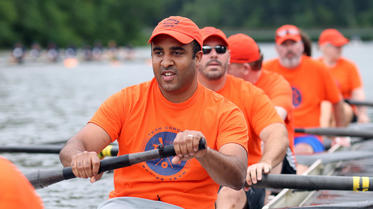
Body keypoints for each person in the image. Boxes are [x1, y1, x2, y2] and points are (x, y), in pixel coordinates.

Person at [59, 16, 248, 209]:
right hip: (126, 204)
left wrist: (204, 152)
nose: (166, 62)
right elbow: (72, 147)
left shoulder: (226, 112)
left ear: (197, 58)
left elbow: (238, 177)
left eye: (177, 52)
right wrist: (79, 158)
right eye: (159, 53)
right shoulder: (126, 101)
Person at [197, 27, 288, 209]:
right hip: (195, 183)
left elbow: (277, 133)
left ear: (228, 56)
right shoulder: (179, 94)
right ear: (196, 56)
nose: (214, 54)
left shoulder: (249, 93)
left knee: (231, 191)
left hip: (243, 180)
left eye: (220, 49)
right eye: (206, 49)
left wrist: (266, 162)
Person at [263, 24, 347, 155]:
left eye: (293, 43)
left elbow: (337, 103)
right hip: (274, 135)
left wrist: (340, 134)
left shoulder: (319, 69)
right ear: (276, 48)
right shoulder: (265, 70)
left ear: (301, 46)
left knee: (300, 150)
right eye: (284, 45)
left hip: (308, 136)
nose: (289, 49)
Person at [227, 33, 296, 176]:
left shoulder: (277, 84)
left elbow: (275, 119)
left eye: (227, 67)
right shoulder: (222, 86)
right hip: (240, 157)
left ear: (245, 68)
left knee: (266, 142)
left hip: (275, 159)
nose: (222, 71)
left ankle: (267, 195)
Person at [318, 28, 369, 126]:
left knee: (338, 106)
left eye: (341, 46)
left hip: (345, 109)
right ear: (324, 47)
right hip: (321, 110)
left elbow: (358, 93)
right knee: (325, 104)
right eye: (336, 46)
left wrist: (362, 114)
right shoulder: (315, 66)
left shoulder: (349, 66)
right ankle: (326, 134)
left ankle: (327, 134)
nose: (340, 49)